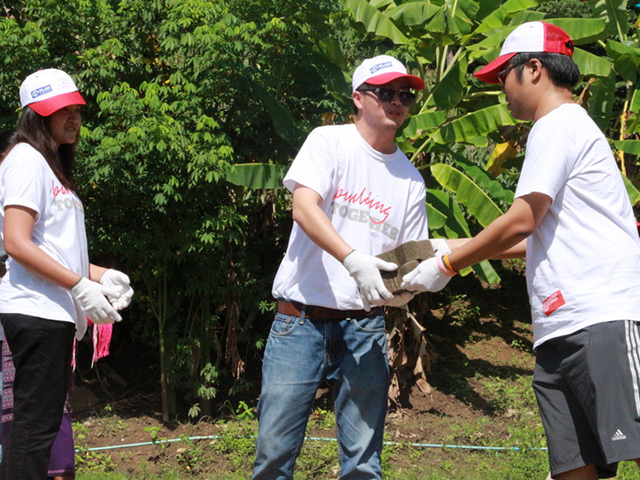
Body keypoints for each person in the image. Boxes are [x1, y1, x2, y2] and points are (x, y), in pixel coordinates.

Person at [401, 22, 640, 479]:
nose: (501, 92)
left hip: (601, 315)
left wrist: (449, 264)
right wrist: (437, 247)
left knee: (635, 444)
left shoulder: (558, 124)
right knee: (575, 468)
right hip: (560, 329)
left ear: (533, 69)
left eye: (502, 78)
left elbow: (522, 218)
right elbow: (537, 236)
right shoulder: (561, 129)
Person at [251, 55, 430, 480]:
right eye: (385, 92)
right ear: (358, 98)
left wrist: (420, 281)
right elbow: (303, 208)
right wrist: (352, 259)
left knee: (364, 464)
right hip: (301, 322)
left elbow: (409, 259)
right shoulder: (328, 142)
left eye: (404, 94)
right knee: (274, 455)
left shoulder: (410, 180)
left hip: (364, 328)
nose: (397, 102)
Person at [0, 68, 134, 480]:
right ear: (35, 115)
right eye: (61, 110)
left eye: (76, 108)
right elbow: (17, 243)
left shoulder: (51, 167)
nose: (72, 117)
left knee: (38, 429)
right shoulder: (26, 159)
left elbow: (52, 247)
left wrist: (101, 274)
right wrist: (78, 284)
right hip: (35, 310)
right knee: (34, 431)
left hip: (54, 314)